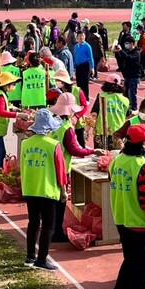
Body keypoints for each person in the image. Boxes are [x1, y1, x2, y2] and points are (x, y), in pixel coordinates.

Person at [106, 124, 145, 289]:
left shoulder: (117, 160)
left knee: (130, 261)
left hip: (121, 219)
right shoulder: (143, 167)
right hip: (138, 222)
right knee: (142, 268)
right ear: (143, 144)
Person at [50, 93, 104, 242]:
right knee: (60, 201)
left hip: (48, 165)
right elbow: (75, 150)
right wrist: (93, 151)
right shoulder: (67, 128)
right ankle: (56, 233)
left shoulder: (53, 122)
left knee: (51, 201)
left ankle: (52, 229)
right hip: (60, 168)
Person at [21, 109, 66, 271]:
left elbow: (22, 166)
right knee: (48, 226)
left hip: (30, 188)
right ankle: (42, 260)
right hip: (47, 190)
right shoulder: (53, 145)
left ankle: (30, 256)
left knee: (33, 223)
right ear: (48, 128)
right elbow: (60, 170)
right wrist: (64, 190)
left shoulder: (25, 143)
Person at [0, 72, 28, 170]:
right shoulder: (0, 95)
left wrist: (14, 110)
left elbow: (1, 108)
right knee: (1, 152)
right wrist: (18, 115)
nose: (14, 86)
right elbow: (1, 112)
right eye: (13, 84)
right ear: (6, 84)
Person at [91, 73, 130, 150]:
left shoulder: (101, 96)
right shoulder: (125, 100)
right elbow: (127, 114)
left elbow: (94, 113)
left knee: (100, 158)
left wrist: (87, 128)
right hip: (118, 133)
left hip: (101, 132)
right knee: (116, 157)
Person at [54, 69, 88, 148]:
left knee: (80, 144)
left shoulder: (77, 90)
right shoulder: (57, 92)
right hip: (63, 123)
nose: (56, 82)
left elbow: (84, 106)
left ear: (63, 81)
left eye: (57, 80)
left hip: (77, 123)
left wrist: (76, 117)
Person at [115, 36, 141, 113]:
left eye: (127, 43)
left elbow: (129, 58)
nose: (126, 45)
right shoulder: (127, 51)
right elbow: (121, 59)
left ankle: (134, 108)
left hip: (134, 76)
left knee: (132, 93)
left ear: (132, 43)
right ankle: (128, 108)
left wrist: (121, 51)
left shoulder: (136, 52)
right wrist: (117, 52)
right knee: (126, 93)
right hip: (127, 76)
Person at [73, 31, 94, 100]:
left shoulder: (87, 46)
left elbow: (91, 57)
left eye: (83, 36)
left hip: (85, 66)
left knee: (84, 83)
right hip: (78, 66)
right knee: (79, 83)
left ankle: (86, 99)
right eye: (80, 36)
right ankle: (80, 98)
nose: (81, 37)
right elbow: (75, 56)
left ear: (85, 37)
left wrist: (92, 67)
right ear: (77, 37)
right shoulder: (76, 46)